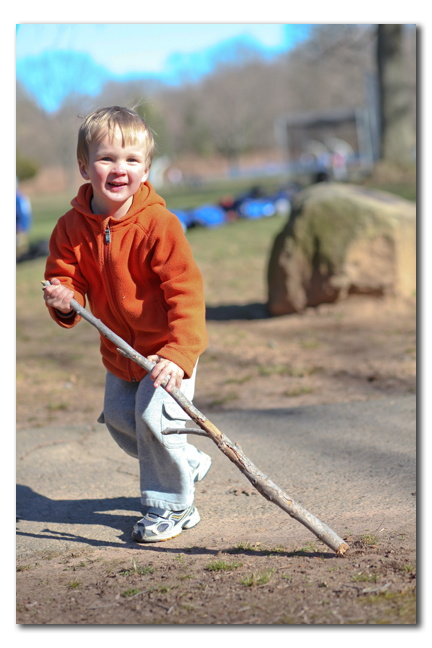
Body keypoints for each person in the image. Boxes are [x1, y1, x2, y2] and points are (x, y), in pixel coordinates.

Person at [42, 106, 211, 543]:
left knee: (155, 419)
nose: (121, 169)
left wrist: (179, 353)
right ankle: (183, 460)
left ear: (146, 169)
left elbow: (186, 293)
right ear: (85, 166)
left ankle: (172, 507)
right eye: (107, 158)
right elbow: (67, 280)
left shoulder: (159, 225)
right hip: (120, 356)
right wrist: (64, 299)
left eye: (132, 160)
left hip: (167, 354)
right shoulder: (70, 228)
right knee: (121, 420)